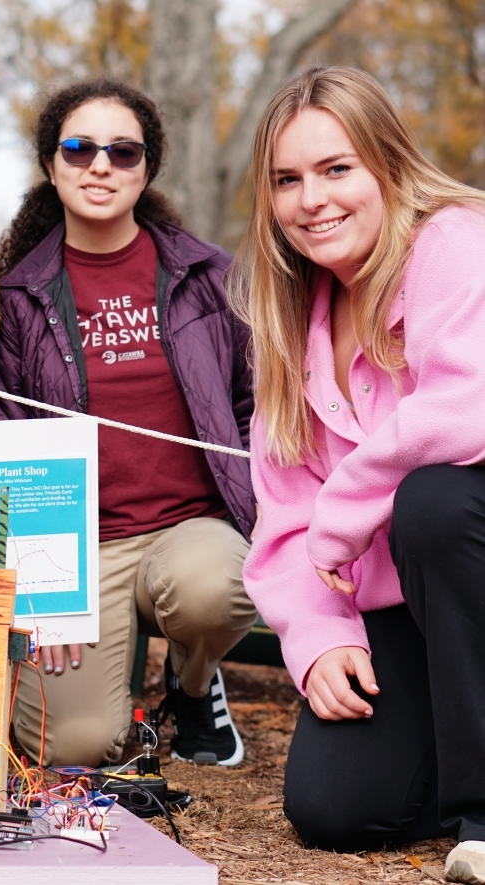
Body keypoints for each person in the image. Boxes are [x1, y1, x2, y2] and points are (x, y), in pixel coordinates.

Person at [233, 64, 485, 882]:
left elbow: (466, 408)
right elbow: (282, 519)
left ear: (387, 165)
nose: (314, 199)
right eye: (288, 180)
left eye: (337, 168)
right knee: (336, 807)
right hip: (406, 610)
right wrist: (317, 638)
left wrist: (345, 509)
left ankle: (480, 816)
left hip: (470, 562)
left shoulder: (455, 244)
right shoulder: (287, 322)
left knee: (434, 501)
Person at [0, 79, 257, 767]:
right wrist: (45, 588)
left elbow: (257, 405)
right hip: (83, 547)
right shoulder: (18, 297)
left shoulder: (207, 276)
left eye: (123, 151)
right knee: (74, 747)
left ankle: (193, 681)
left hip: (191, 527)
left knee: (211, 590)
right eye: (79, 149)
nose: (100, 165)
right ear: (52, 166)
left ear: (147, 168)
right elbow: (8, 439)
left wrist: (264, 510)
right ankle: (120, 682)